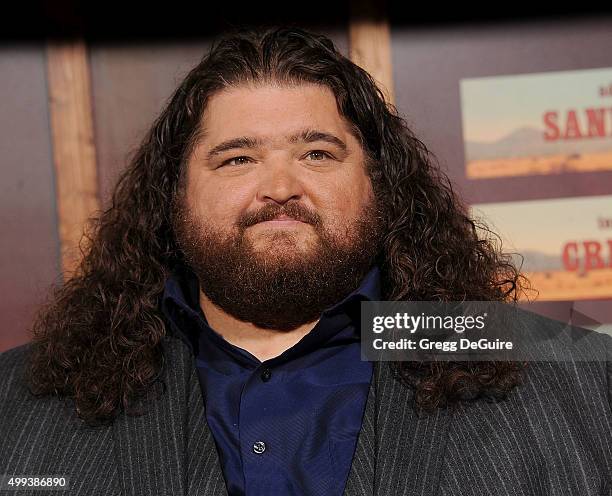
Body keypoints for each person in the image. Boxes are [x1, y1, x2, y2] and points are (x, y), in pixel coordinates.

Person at [1, 25, 611, 496]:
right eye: (237, 159)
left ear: (381, 184)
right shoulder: (15, 404)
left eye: (318, 154)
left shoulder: (576, 382)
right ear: (173, 195)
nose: (280, 187)